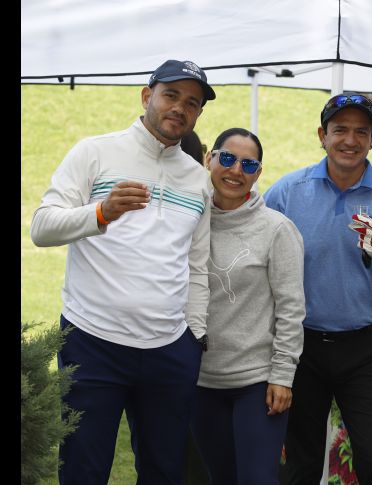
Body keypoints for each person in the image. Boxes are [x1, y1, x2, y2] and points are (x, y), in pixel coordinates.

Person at [30, 59, 216, 485]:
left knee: (165, 471)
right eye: (171, 95)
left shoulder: (196, 179)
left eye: (192, 103)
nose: (180, 108)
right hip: (93, 342)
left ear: (198, 114)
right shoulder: (94, 151)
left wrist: (194, 337)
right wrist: (101, 211)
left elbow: (197, 265)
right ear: (147, 95)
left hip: (170, 350)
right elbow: (41, 228)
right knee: (83, 468)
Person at [264, 92, 372, 485]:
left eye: (361, 131)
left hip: (361, 348)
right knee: (300, 462)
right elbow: (258, 253)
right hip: (302, 346)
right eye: (340, 130)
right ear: (322, 134)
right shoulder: (288, 191)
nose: (350, 140)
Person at [190, 127, 305, 484]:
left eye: (248, 164)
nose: (235, 170)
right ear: (210, 159)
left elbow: (291, 309)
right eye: (227, 158)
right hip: (200, 380)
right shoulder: (189, 221)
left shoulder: (277, 230)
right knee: (220, 477)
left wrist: (283, 376)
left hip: (257, 383)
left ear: (258, 172)